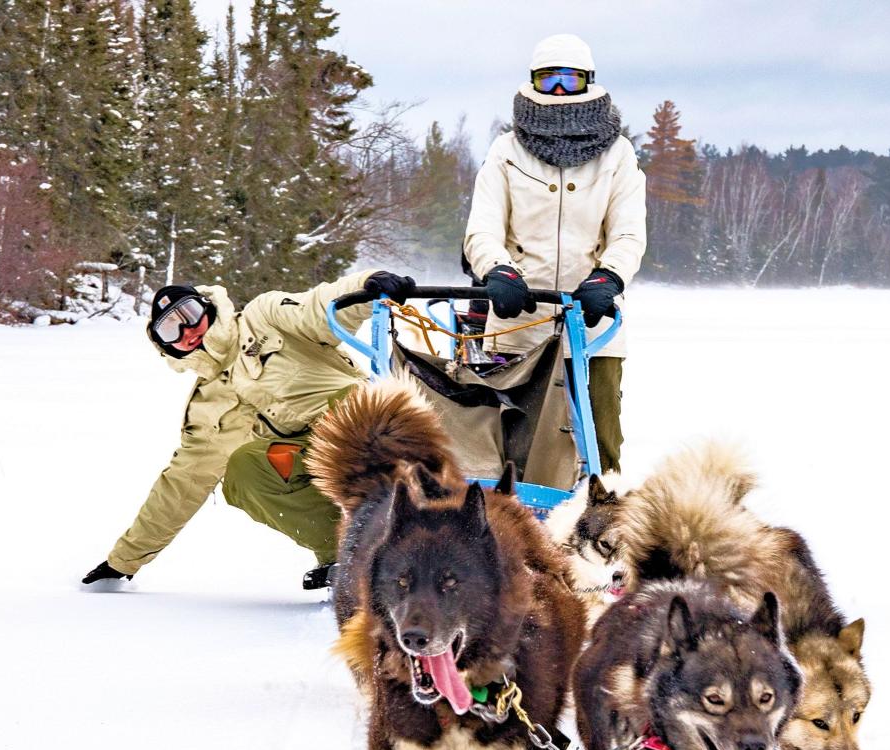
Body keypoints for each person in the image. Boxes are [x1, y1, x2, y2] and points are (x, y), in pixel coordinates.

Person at [81, 270, 414, 591]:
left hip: (365, 423)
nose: (187, 331)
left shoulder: (263, 316)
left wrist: (365, 284)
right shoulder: (206, 408)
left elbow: (318, 308)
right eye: (171, 330)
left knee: (352, 412)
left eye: (190, 314)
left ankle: (415, 512)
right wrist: (123, 561)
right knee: (246, 469)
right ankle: (348, 550)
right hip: (318, 454)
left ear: (208, 307)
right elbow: (181, 486)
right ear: (165, 347)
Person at [463, 33, 646, 474]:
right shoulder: (506, 151)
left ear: (588, 82)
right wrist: (497, 270)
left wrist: (610, 277)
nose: (559, 92)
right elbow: (482, 229)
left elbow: (628, 234)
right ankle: (513, 531)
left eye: (569, 79)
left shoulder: (618, 155)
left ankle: (601, 529)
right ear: (533, 83)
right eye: (549, 80)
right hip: (518, 320)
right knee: (511, 447)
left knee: (600, 444)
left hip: (592, 321)